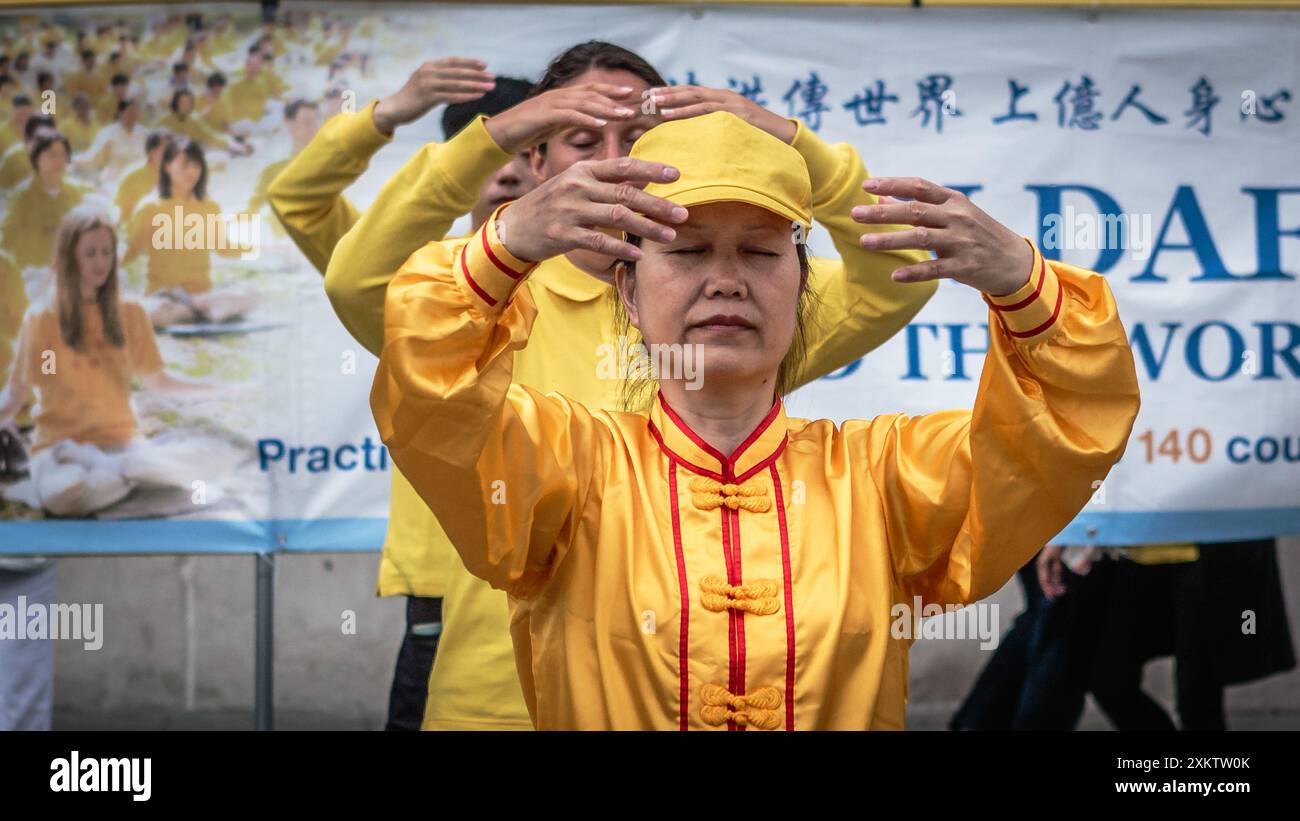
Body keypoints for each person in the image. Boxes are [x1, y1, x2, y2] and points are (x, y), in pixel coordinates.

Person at [370, 110, 1141, 730]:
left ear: (803, 284)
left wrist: (1024, 282)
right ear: (630, 293)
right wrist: (500, 247)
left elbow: (1066, 427)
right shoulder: (566, 467)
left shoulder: (884, 478)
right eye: (691, 250)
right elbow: (430, 400)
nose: (727, 281)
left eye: (762, 253)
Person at [328, 41, 938, 730]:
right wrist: (494, 142)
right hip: (492, 704)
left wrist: (787, 140)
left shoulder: (734, 303)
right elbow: (357, 284)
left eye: (641, 139)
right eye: (582, 139)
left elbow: (902, 265)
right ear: (537, 160)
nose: (616, 161)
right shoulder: (484, 296)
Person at [267, 56, 530, 730]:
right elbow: (298, 199)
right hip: (445, 595)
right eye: (482, 149)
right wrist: (389, 110)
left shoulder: (616, 287)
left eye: (526, 149)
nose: (505, 169)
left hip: (578, 586)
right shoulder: (414, 286)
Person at [0, 207, 214, 517]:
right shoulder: (42, 320)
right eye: (90, 253)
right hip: (62, 450)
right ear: (70, 258)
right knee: (65, 496)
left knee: (196, 486)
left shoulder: (131, 313)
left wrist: (222, 390)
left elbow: (160, 383)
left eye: (107, 252)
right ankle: (129, 478)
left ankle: (120, 473)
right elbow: (20, 391)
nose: (101, 262)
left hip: (122, 445)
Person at [123, 138, 255, 325]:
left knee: (250, 292)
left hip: (203, 296)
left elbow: (224, 249)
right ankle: (195, 312)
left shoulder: (209, 207)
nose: (192, 171)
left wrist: (258, 247)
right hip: (167, 298)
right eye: (185, 165)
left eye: (196, 165)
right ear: (167, 167)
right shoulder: (150, 208)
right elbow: (129, 251)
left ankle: (197, 310)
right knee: (152, 312)